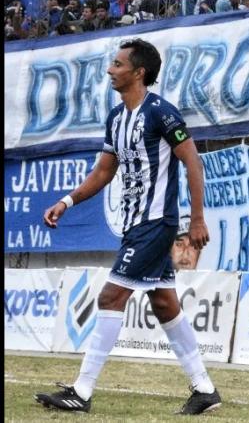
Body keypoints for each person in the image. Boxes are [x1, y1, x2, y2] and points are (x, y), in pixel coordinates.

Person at [35, 39, 220, 415]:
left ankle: (81, 392)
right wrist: (66, 201)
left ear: (139, 72)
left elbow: (192, 161)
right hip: (134, 225)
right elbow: (104, 171)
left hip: (156, 223)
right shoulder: (117, 118)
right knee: (164, 303)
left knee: (110, 297)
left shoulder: (161, 113)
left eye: (118, 64)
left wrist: (198, 218)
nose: (110, 70)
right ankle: (204, 390)